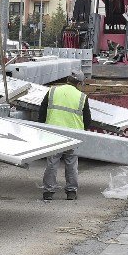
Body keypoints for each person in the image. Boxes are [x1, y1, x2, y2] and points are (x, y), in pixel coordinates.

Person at [39, 70, 91, 201]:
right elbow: (87, 120)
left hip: (53, 132)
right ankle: (71, 192)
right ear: (79, 83)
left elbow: (42, 111)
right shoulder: (81, 97)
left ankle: (48, 192)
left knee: (52, 162)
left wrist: (43, 128)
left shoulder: (52, 91)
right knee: (71, 164)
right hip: (73, 135)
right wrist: (82, 131)